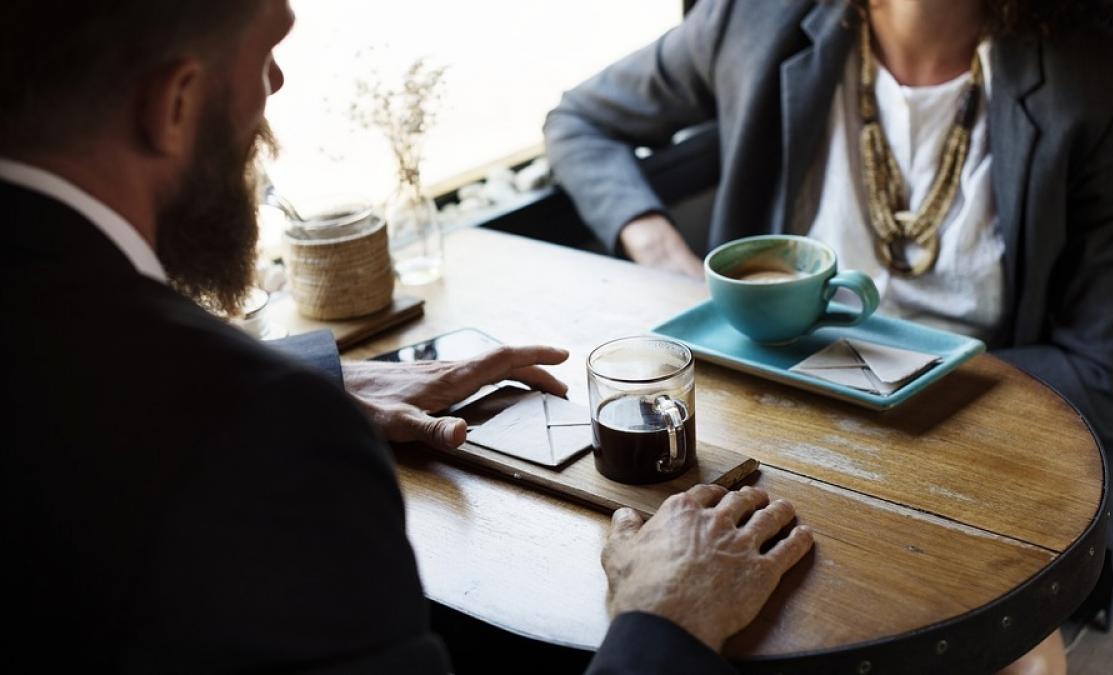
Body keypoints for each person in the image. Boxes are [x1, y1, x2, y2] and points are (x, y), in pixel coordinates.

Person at [0, 1, 816, 672]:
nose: (275, 84)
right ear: (173, 105)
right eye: (265, 52)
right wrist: (662, 623)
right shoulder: (261, 442)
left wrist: (324, 378)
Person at [544, 0, 1113, 672]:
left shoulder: (1101, 82)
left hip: (1002, 437)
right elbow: (580, 121)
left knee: (997, 640)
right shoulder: (752, 21)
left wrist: (870, 390)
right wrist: (662, 254)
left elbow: (1112, 375)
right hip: (800, 426)